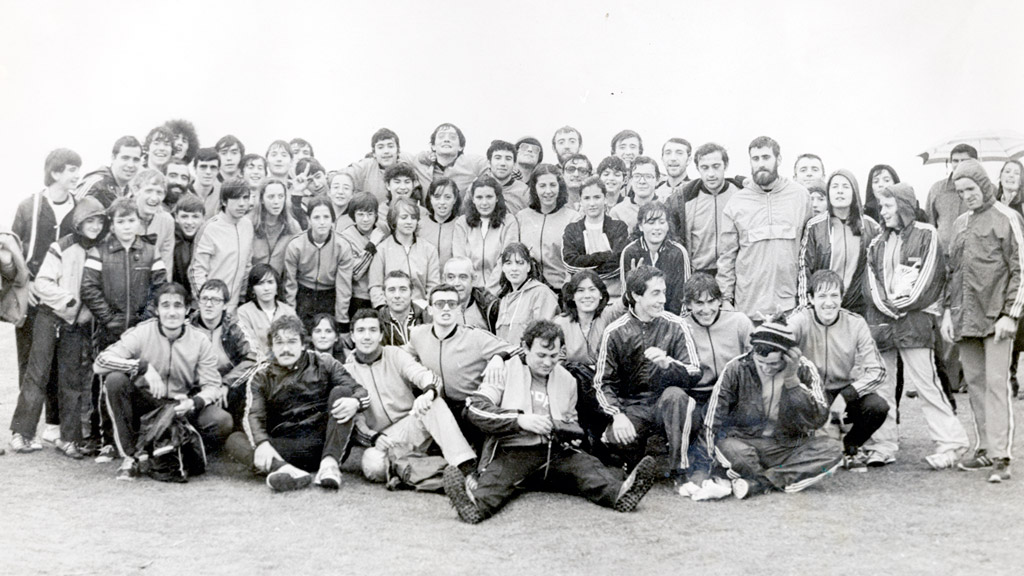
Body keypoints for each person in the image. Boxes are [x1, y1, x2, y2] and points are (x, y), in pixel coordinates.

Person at [446, 320, 658, 524]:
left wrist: (570, 435)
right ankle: (473, 505)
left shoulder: (567, 379)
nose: (548, 362)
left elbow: (572, 422)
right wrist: (520, 420)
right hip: (513, 450)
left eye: (553, 355)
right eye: (541, 355)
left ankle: (620, 495)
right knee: (495, 482)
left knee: (587, 466)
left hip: (556, 452)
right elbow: (475, 409)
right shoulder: (505, 370)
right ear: (524, 348)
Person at [865, 183, 969, 469]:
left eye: (887, 206)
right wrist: (887, 306)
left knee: (927, 384)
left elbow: (930, 277)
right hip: (883, 323)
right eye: (881, 206)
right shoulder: (876, 242)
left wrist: (902, 304)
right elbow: (871, 283)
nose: (882, 211)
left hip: (915, 323)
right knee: (883, 387)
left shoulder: (927, 234)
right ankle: (883, 444)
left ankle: (952, 443)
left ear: (904, 206)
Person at [94, 283, 234, 481]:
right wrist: (142, 367)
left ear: (187, 310)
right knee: (115, 380)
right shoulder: (142, 332)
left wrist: (193, 403)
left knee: (222, 421)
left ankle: (180, 448)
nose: (171, 312)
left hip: (180, 405)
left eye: (178, 306)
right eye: (165, 306)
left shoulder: (200, 340)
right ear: (157, 310)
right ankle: (131, 457)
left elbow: (212, 386)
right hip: (146, 402)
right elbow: (100, 363)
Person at [942, 159, 1022, 483]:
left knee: (995, 384)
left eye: (971, 189)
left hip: (997, 318)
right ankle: (985, 448)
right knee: (973, 384)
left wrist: (1010, 315)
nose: (967, 195)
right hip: (965, 319)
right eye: (961, 191)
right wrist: (949, 312)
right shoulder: (960, 224)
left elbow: (1020, 268)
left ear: (984, 184)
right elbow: (952, 273)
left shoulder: (1008, 218)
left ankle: (1002, 454)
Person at [226, 315, 368, 492]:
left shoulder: (324, 362)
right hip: (285, 447)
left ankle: (329, 467)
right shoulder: (261, 376)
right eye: (279, 343)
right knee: (235, 440)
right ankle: (284, 470)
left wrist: (355, 402)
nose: (286, 349)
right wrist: (262, 443)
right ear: (271, 347)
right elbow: (253, 414)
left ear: (303, 344)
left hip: (325, 444)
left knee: (343, 393)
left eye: (292, 342)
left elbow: (360, 391)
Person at [8, 198, 105, 457]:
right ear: (78, 222)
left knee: (71, 379)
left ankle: (68, 438)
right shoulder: (61, 247)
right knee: (36, 375)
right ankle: (22, 433)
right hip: (49, 317)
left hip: (76, 324)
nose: (95, 226)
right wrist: (69, 301)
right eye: (89, 221)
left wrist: (85, 312)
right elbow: (42, 283)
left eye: (99, 221)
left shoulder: (102, 250)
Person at [704, 319, 843, 499]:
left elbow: (819, 418)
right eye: (760, 362)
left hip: (787, 444)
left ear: (788, 356)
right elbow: (712, 420)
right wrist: (702, 468)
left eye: (773, 364)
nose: (765, 368)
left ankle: (760, 483)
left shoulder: (804, 369)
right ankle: (776, 478)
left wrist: (792, 381)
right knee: (729, 447)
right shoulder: (736, 368)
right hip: (745, 442)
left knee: (832, 449)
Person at [593, 266, 702, 487]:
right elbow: (602, 382)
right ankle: (632, 462)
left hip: (667, 403)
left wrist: (668, 364)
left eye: (664, 292)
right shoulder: (614, 331)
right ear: (635, 295)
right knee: (617, 439)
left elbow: (694, 372)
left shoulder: (677, 324)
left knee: (676, 396)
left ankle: (679, 470)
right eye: (655, 293)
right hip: (633, 405)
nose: (663, 299)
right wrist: (617, 415)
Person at [345, 309, 477, 484]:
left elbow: (423, 375)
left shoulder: (394, 354)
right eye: (361, 331)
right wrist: (374, 437)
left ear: (380, 335)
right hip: (385, 438)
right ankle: (439, 472)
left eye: (372, 330)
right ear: (352, 336)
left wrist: (428, 392)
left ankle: (465, 466)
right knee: (372, 464)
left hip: (412, 424)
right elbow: (356, 421)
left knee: (434, 404)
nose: (367, 336)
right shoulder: (346, 372)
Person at [789, 270, 888, 471]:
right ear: (810, 299)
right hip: (809, 392)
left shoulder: (855, 323)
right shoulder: (800, 319)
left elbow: (878, 371)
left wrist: (846, 395)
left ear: (842, 298)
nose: (829, 303)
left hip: (842, 389)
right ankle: (809, 451)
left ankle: (850, 446)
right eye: (822, 296)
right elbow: (780, 345)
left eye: (834, 296)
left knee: (877, 406)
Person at [12, 148, 82, 413]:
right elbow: (12, 250)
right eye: (71, 169)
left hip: (63, 295)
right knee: (30, 360)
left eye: (78, 169)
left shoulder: (79, 208)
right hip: (31, 295)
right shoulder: (29, 206)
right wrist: (25, 283)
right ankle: (26, 422)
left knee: (59, 360)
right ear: (55, 172)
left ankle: (54, 422)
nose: (77, 175)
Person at [401, 284, 517, 444]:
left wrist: (499, 356)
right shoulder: (418, 334)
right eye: (440, 304)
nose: (446, 308)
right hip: (437, 404)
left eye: (452, 304)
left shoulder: (475, 337)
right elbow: (401, 354)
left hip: (468, 409)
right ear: (429, 309)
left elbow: (518, 350)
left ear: (459, 309)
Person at [718, 136, 811, 320]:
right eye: (756, 158)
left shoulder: (800, 196)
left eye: (766, 157)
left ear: (779, 159)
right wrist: (726, 299)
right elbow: (727, 257)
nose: (761, 164)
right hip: (748, 310)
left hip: (791, 309)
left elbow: (810, 250)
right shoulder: (736, 203)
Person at [678, 273, 752, 497]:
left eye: (711, 301)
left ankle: (718, 471)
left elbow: (755, 360)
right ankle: (697, 471)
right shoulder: (681, 326)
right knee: (699, 420)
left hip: (735, 394)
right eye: (698, 303)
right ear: (688, 304)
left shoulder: (739, 321)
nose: (706, 309)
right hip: (701, 394)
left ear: (720, 300)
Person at [81, 198, 168, 349]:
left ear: (139, 223)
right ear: (112, 226)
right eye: (120, 222)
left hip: (143, 330)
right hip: (108, 331)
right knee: (112, 371)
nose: (127, 227)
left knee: (141, 369)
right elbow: (89, 288)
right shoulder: (99, 251)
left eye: (131, 220)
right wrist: (108, 318)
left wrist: (146, 319)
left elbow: (160, 287)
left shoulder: (151, 251)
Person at [799, 169, 881, 315]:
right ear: (829, 192)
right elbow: (804, 269)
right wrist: (806, 309)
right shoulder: (815, 226)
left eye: (845, 187)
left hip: (858, 308)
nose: (840, 191)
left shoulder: (871, 227)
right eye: (835, 187)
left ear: (854, 192)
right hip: (824, 306)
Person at [667, 142, 741, 277]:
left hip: (735, 273)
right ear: (697, 168)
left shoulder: (741, 194)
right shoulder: (684, 198)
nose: (711, 174)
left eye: (716, 167)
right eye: (705, 168)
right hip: (699, 275)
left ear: (726, 165)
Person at [189, 279, 257, 424]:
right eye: (205, 299)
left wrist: (226, 384)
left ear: (225, 304)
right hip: (195, 389)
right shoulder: (187, 327)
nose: (208, 304)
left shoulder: (233, 327)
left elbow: (253, 358)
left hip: (226, 388)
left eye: (215, 300)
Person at [283, 197, 354, 331]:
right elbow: (290, 284)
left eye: (326, 217)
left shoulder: (342, 246)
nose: (322, 222)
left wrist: (342, 321)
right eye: (316, 217)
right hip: (303, 296)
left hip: (329, 297)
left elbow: (344, 287)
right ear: (309, 220)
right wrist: (291, 315)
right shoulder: (296, 245)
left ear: (332, 220)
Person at [189, 180, 254, 314]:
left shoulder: (247, 225)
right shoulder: (209, 228)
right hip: (210, 307)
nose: (242, 203)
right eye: (236, 198)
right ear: (224, 201)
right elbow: (197, 271)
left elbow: (247, 265)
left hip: (235, 307)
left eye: (245, 198)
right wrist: (206, 303)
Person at [562, 176, 630, 297]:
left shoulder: (619, 227)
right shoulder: (572, 229)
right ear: (581, 201)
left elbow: (619, 264)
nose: (592, 203)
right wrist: (606, 255)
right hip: (581, 296)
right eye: (587, 198)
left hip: (613, 296)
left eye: (597, 197)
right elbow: (570, 264)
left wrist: (585, 264)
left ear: (605, 199)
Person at [619, 201, 691, 315]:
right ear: (641, 226)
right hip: (639, 318)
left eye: (662, 222)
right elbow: (626, 300)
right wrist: (635, 282)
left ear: (668, 225)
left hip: (671, 319)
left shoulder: (678, 252)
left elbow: (682, 298)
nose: (657, 228)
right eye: (651, 223)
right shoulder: (630, 252)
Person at [516, 164, 580, 292]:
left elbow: (576, 263)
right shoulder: (521, 217)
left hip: (560, 291)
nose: (548, 191)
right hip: (526, 290)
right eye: (542, 186)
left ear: (560, 186)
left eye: (552, 185)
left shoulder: (573, 218)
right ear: (534, 188)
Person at [452, 176, 520, 295]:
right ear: (472, 199)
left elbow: (506, 260)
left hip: (500, 291)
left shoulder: (509, 221)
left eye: (489, 197)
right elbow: (460, 260)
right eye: (479, 197)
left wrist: (490, 291)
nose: (484, 203)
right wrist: (473, 292)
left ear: (497, 198)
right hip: (470, 291)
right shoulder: (462, 223)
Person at [368, 198, 440, 310]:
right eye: (404, 217)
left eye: (413, 217)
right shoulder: (382, 249)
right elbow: (375, 286)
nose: (409, 222)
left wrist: (426, 308)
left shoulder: (429, 249)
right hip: (391, 310)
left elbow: (433, 286)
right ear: (394, 220)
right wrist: (384, 310)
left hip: (421, 310)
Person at [493, 243, 559, 345]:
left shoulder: (541, 293)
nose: (514, 268)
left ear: (528, 267)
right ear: (503, 268)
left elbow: (544, 337)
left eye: (520, 263)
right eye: (508, 263)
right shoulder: (504, 299)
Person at [997, 159, 1024, 397]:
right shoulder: (993, 203)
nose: (1011, 175)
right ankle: (1010, 378)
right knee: (1009, 327)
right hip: (1002, 272)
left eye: (1016, 172)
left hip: (1021, 268)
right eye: (1007, 171)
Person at [236, 264, 298, 361]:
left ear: (277, 287)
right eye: (260, 283)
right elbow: (249, 346)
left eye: (270, 282)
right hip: (257, 364)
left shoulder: (288, 311)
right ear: (253, 289)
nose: (266, 288)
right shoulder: (244, 312)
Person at [927, 143, 978, 253]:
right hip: (943, 256)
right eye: (955, 161)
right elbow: (930, 224)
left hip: (975, 256)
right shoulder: (937, 189)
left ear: (975, 163)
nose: (959, 164)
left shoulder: (986, 190)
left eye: (964, 160)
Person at [340, 194, 386, 315]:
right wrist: (372, 244)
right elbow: (355, 272)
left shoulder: (382, 231)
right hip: (359, 297)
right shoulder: (346, 236)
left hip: (382, 296)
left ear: (376, 215)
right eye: (360, 214)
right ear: (353, 215)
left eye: (370, 214)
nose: (365, 219)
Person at [412, 123, 488, 196]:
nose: (446, 140)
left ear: (460, 147)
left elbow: (494, 165)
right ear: (433, 146)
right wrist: (422, 156)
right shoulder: (420, 163)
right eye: (441, 136)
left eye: (452, 137)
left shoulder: (472, 163)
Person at [347, 128, 414, 205]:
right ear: (374, 153)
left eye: (390, 146)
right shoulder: (365, 167)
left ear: (398, 150)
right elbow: (335, 177)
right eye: (380, 147)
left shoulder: (408, 163)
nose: (386, 151)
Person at [130, 169, 175, 280]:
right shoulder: (123, 216)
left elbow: (166, 261)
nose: (154, 198)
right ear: (136, 190)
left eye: (159, 192)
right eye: (149, 191)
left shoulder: (167, 221)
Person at [251, 178, 302, 276]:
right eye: (271, 197)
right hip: (254, 284)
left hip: (279, 285)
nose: (276, 201)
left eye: (280, 196)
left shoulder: (293, 226)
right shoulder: (250, 224)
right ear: (261, 199)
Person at [76, 136, 141, 208]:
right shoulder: (95, 184)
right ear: (113, 158)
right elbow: (72, 213)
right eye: (125, 158)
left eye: (136, 160)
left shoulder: (131, 192)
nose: (130, 165)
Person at [442, 256, 498, 331]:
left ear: (474, 279)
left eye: (463, 277)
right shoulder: (436, 309)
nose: (456, 283)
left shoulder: (489, 306)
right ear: (444, 280)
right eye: (451, 277)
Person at [376, 271, 429, 347]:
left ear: (411, 293)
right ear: (384, 295)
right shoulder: (377, 322)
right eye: (392, 290)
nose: (397, 295)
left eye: (403, 289)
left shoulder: (426, 319)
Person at [608, 156, 659, 234]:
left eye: (648, 176)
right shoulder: (617, 212)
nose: (642, 181)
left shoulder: (666, 207)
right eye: (637, 176)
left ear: (657, 180)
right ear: (630, 180)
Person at [418, 177, 462, 268]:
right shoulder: (419, 224)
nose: (442, 202)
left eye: (447, 197)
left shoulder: (461, 224)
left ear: (454, 199)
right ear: (430, 198)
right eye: (437, 197)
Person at [482, 140, 530, 215]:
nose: (502, 163)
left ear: (514, 164)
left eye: (508, 159)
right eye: (498, 158)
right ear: (489, 163)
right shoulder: (476, 188)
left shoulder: (525, 192)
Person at [172, 194, 204, 300]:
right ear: (176, 217)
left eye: (195, 216)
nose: (190, 222)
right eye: (184, 216)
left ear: (203, 218)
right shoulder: (172, 241)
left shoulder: (206, 241)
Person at [191, 148, 223, 218]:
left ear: (218, 171)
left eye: (213, 167)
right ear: (195, 169)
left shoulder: (221, 195)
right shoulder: (183, 193)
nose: (208, 172)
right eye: (203, 167)